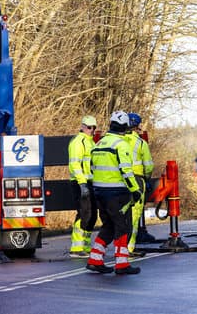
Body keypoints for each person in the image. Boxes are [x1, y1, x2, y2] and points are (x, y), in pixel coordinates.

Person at [86, 111, 142, 275]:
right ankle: (122, 264)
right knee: (122, 227)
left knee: (108, 226)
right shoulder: (121, 144)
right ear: (125, 127)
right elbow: (126, 171)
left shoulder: (99, 144)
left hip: (99, 193)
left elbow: (91, 169)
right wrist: (135, 190)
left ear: (110, 125)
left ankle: (95, 260)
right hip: (117, 194)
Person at [68, 115, 98, 258]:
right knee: (84, 213)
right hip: (80, 182)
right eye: (89, 127)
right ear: (83, 126)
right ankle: (76, 247)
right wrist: (82, 184)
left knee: (92, 215)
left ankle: (85, 245)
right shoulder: (78, 142)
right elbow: (75, 164)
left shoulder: (91, 143)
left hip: (90, 182)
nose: (92, 130)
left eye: (94, 127)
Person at [125, 112, 154, 255]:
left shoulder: (117, 140)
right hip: (137, 179)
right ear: (136, 126)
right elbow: (148, 166)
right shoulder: (140, 143)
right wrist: (146, 178)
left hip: (119, 180)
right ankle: (129, 247)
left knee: (121, 214)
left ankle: (120, 246)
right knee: (135, 214)